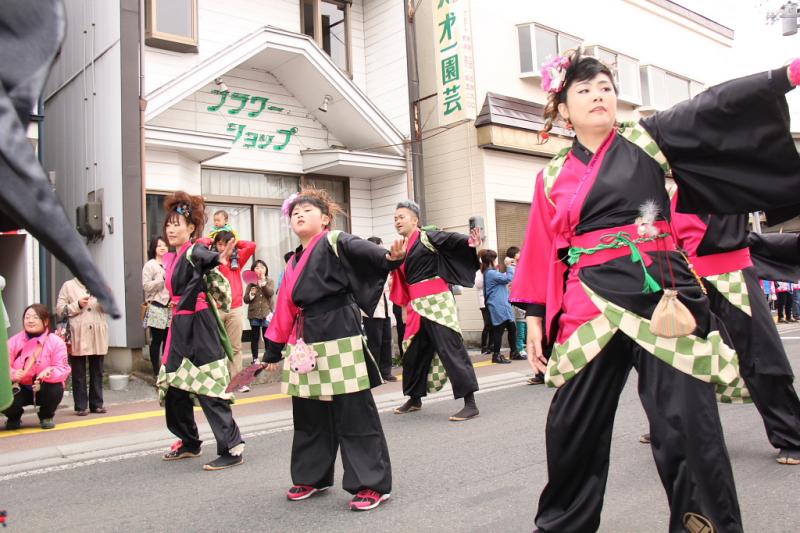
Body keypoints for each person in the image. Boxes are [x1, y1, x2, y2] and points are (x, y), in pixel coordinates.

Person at [511, 50, 800, 533]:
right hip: (589, 305)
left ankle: (703, 525)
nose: (598, 95)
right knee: (570, 428)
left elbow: (711, 106)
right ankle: (562, 526)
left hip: (661, 295)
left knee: (687, 426)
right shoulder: (551, 177)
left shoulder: (647, 140)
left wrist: (785, 76)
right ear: (563, 108)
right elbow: (544, 248)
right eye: (583, 90)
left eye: (605, 87)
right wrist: (536, 316)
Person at [262, 188, 405, 511]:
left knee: (353, 409)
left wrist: (391, 259)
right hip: (305, 336)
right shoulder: (294, 260)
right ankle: (312, 476)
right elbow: (285, 306)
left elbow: (370, 254)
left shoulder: (335, 240)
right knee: (309, 411)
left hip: (339, 327)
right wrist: (272, 349)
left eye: (307, 211)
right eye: (294, 212)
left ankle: (372, 483)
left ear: (325, 219)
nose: (299, 215)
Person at [637, 195, 800, 465]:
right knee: (676, 356)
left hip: (731, 272)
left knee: (759, 354)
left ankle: (792, 433)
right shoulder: (667, 193)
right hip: (684, 280)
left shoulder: (720, 177)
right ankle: (674, 428)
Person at [158, 191, 245, 471]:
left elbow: (209, 259)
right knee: (173, 386)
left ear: (191, 228)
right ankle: (189, 441)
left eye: (177, 224)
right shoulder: (175, 256)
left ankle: (232, 447)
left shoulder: (195, 250)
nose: (171, 229)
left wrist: (218, 258)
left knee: (210, 385)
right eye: (168, 225)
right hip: (180, 325)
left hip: (200, 324)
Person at [390, 200, 482, 421]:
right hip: (415, 306)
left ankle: (470, 403)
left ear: (415, 219)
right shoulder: (402, 246)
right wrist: (404, 306)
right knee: (413, 352)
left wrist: (472, 241)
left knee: (450, 348)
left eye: (401, 217)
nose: (397, 221)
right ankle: (414, 398)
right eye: (395, 219)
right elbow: (401, 278)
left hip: (437, 301)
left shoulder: (428, 236)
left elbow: (456, 241)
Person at [197, 231, 256, 390]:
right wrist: (210, 238)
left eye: (226, 243)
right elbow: (198, 244)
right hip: (216, 310)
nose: (222, 247)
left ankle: (236, 382)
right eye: (220, 244)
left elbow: (251, 246)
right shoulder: (210, 260)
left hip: (235, 308)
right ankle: (218, 381)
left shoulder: (236, 260)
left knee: (235, 348)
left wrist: (235, 242)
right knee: (215, 347)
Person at [3, 304, 70, 430]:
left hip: (44, 387)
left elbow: (62, 368)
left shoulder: (56, 342)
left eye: (35, 317)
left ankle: (46, 416)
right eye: (27, 317)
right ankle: (13, 417)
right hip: (19, 387)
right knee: (3, 392)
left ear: (45, 321)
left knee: (55, 388)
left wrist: (49, 374)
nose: (30, 320)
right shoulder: (13, 341)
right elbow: (2, 367)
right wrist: (12, 373)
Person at [57, 276, 108, 416]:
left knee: (97, 369)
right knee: (78, 371)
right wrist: (77, 304)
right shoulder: (68, 285)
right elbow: (60, 310)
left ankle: (97, 404)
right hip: (78, 331)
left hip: (98, 331)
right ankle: (81, 406)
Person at [362, 237, 397, 382]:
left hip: (386, 310)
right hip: (372, 311)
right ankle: (374, 374)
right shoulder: (365, 268)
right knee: (374, 343)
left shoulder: (384, 267)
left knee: (387, 341)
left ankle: (386, 371)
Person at [142, 235, 172, 377]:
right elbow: (146, 286)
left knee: (169, 340)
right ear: (154, 247)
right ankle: (156, 371)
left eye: (164, 245)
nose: (162, 247)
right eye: (159, 245)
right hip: (157, 306)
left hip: (171, 306)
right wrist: (161, 280)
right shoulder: (150, 265)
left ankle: (167, 369)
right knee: (157, 340)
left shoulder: (172, 262)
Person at [480, 250, 514, 365]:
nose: (495, 261)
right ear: (490, 260)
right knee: (498, 331)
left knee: (511, 328)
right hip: (497, 305)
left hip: (501, 305)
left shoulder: (490, 272)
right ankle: (496, 355)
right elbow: (508, 278)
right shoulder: (490, 273)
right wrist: (509, 266)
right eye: (494, 259)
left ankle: (513, 352)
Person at [243, 259, 274, 367]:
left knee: (266, 337)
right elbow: (246, 299)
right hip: (254, 313)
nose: (259, 269)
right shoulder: (251, 284)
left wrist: (263, 284)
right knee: (255, 337)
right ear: (253, 271)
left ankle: (267, 358)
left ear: (266, 269)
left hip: (266, 313)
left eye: (262, 267)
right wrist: (251, 294)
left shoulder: (269, 281)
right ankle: (255, 358)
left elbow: (270, 293)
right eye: (257, 267)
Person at [474, 250, 492, 354]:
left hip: (492, 301)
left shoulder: (491, 270)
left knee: (494, 325)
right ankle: (484, 346)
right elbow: (478, 285)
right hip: (484, 302)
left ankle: (491, 346)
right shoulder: (479, 272)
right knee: (488, 324)